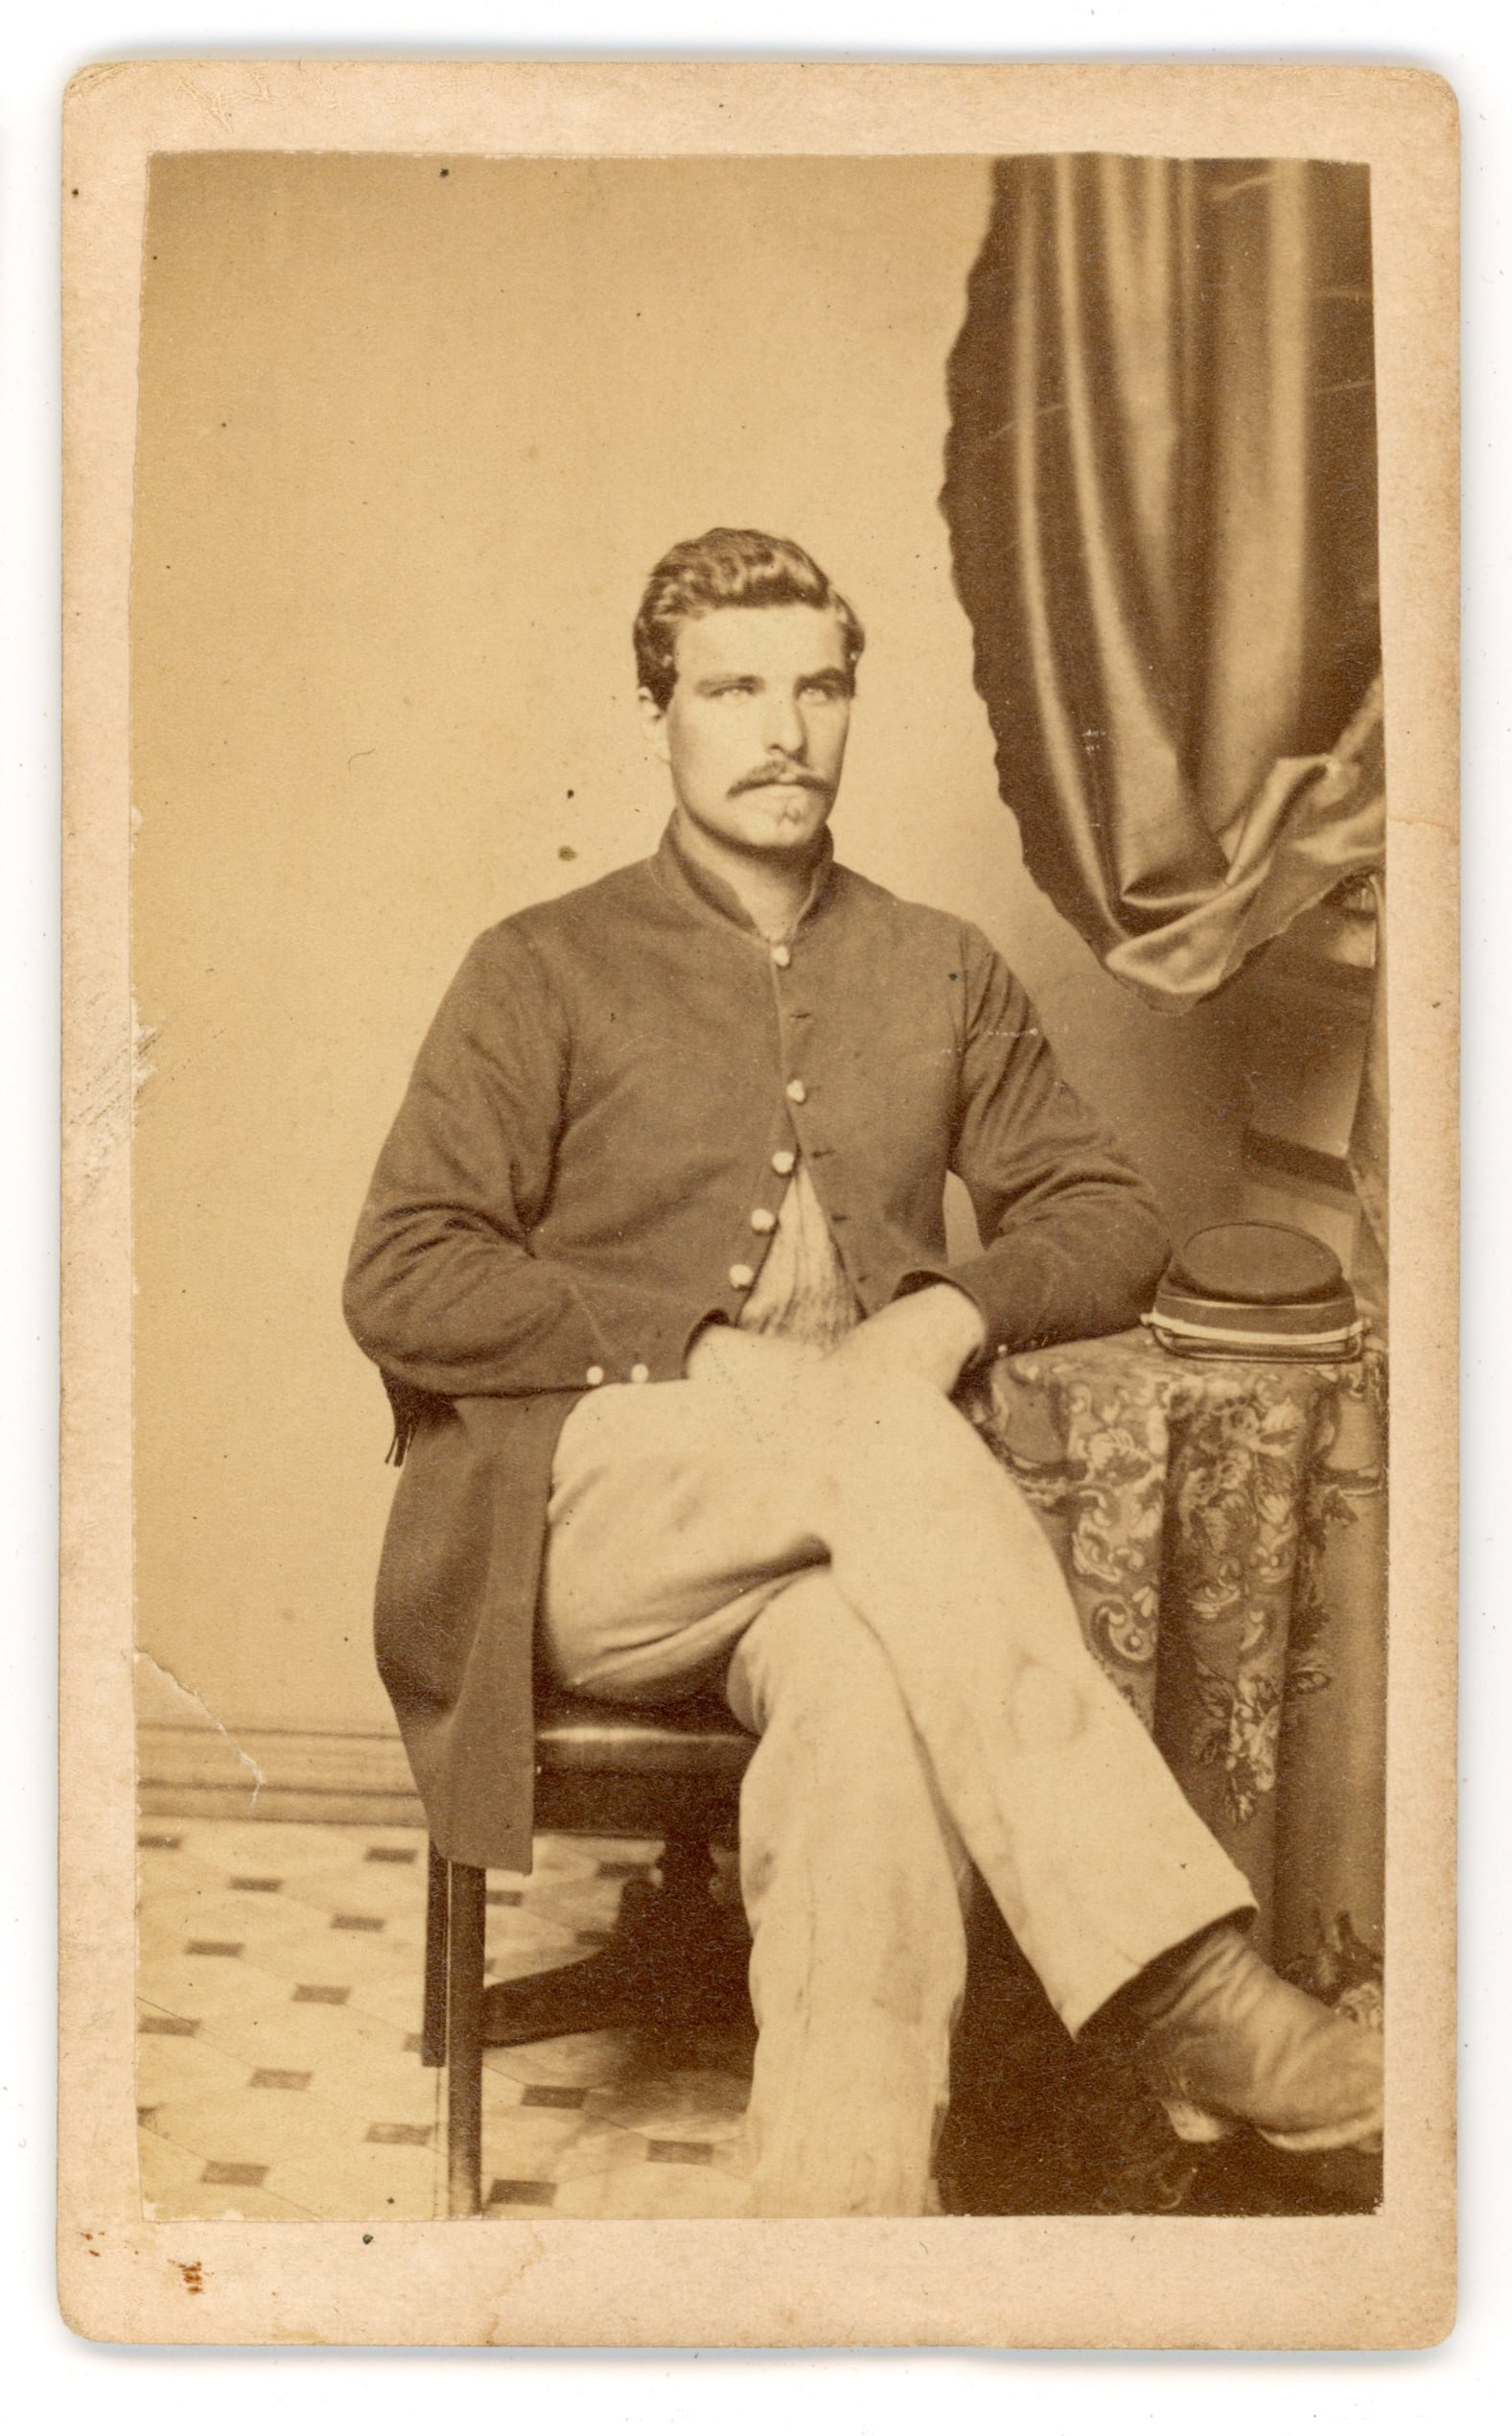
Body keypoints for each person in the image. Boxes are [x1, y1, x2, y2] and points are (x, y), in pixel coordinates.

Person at [344, 528, 1384, 2216]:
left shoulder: (936, 968)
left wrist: (949, 1314)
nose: (780, 730)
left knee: (870, 1690)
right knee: (873, 1444)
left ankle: (837, 2223)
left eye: (815, 687)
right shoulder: (539, 965)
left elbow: (1103, 1209)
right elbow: (403, 1271)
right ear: (658, 719)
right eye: (729, 689)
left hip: (838, 1550)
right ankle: (1190, 1994)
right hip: (591, 1528)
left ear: (850, 708)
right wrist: (689, 1353)